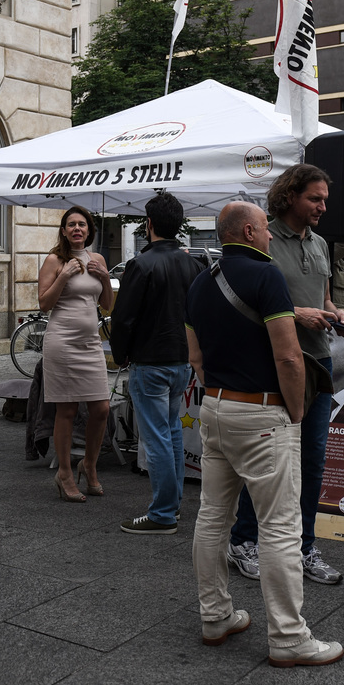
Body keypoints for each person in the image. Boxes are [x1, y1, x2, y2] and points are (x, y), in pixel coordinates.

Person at [187, 201, 344, 667]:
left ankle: (215, 616)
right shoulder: (266, 276)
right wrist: (295, 411)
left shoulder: (199, 281)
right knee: (280, 526)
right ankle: (290, 637)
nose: (272, 237)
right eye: (266, 231)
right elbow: (290, 356)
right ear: (251, 230)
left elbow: (195, 356)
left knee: (213, 517)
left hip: (215, 406)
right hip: (262, 413)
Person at [227, 164, 344, 587]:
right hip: (275, 365)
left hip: (318, 366)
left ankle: (303, 548)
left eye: (324, 200)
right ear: (290, 197)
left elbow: (324, 295)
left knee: (313, 463)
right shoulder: (262, 240)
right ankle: (244, 541)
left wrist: (334, 312)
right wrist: (297, 313)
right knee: (267, 462)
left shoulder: (319, 243)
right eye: (314, 199)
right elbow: (248, 297)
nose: (321, 207)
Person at [109, 192, 205, 534]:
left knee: (159, 438)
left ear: (148, 224)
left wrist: (120, 354)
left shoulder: (141, 264)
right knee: (172, 432)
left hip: (151, 361)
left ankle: (164, 513)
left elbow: (123, 319)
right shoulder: (193, 264)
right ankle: (172, 506)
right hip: (182, 360)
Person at [37, 206, 114, 502]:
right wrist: (63, 275)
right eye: (71, 225)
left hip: (89, 343)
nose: (77, 229)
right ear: (64, 230)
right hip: (62, 342)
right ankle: (65, 473)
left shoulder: (97, 260)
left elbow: (107, 305)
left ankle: (89, 465)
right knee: (66, 411)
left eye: (82, 224)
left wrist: (105, 277)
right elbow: (44, 304)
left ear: (89, 230)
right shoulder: (54, 260)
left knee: (101, 409)